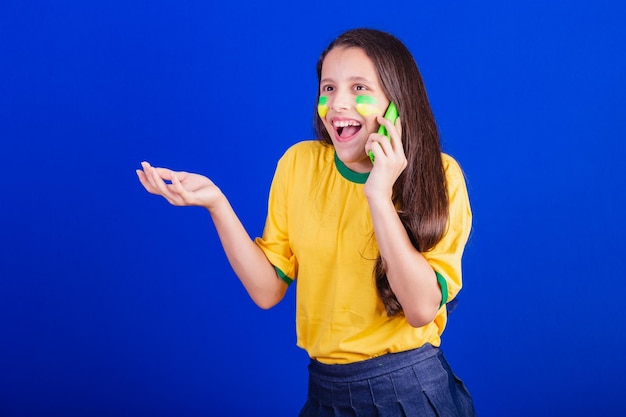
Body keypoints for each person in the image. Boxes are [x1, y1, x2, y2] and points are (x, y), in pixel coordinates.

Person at [137, 28, 476, 416]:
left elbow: (420, 309)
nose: (337, 105)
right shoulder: (298, 165)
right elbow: (267, 290)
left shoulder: (440, 175)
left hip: (408, 392)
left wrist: (378, 195)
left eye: (359, 88)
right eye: (328, 88)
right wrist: (216, 203)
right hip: (325, 392)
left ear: (396, 104)